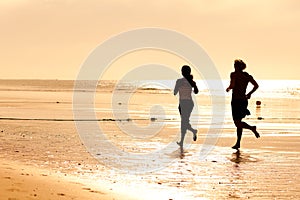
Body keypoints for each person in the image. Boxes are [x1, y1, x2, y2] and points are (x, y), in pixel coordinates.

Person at [226, 59, 260, 150]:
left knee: (237, 122)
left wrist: (228, 88)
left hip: (236, 100)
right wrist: (249, 94)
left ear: (236, 66)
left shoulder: (234, 74)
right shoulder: (247, 76)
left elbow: (232, 85)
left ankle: (252, 128)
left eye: (235, 65)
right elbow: (256, 86)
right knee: (239, 122)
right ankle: (238, 143)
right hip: (244, 101)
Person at [174, 65, 198, 148]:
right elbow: (196, 92)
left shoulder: (179, 81)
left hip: (183, 103)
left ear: (182, 72)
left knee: (183, 122)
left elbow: (175, 92)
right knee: (184, 121)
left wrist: (179, 86)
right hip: (189, 103)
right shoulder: (191, 81)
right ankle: (192, 131)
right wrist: (193, 85)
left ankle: (183, 140)